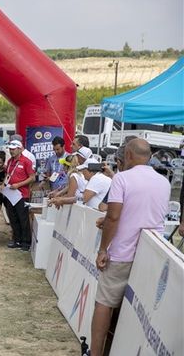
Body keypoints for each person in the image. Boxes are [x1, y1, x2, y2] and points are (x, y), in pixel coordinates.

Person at [90, 139, 170, 356]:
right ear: (150, 157)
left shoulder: (122, 179)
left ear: (128, 156)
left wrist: (103, 249)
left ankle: (95, 353)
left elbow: (114, 216)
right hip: (150, 254)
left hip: (121, 253)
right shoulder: (164, 182)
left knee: (104, 303)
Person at [0, 139, 35, 251]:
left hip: (22, 194)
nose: (11, 151)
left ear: (20, 149)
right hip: (10, 193)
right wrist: (3, 184)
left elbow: (32, 177)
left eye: (13, 149)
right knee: (13, 217)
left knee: (23, 218)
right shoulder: (10, 161)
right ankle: (17, 240)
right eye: (10, 149)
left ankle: (26, 242)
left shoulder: (26, 161)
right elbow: (8, 175)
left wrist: (19, 184)